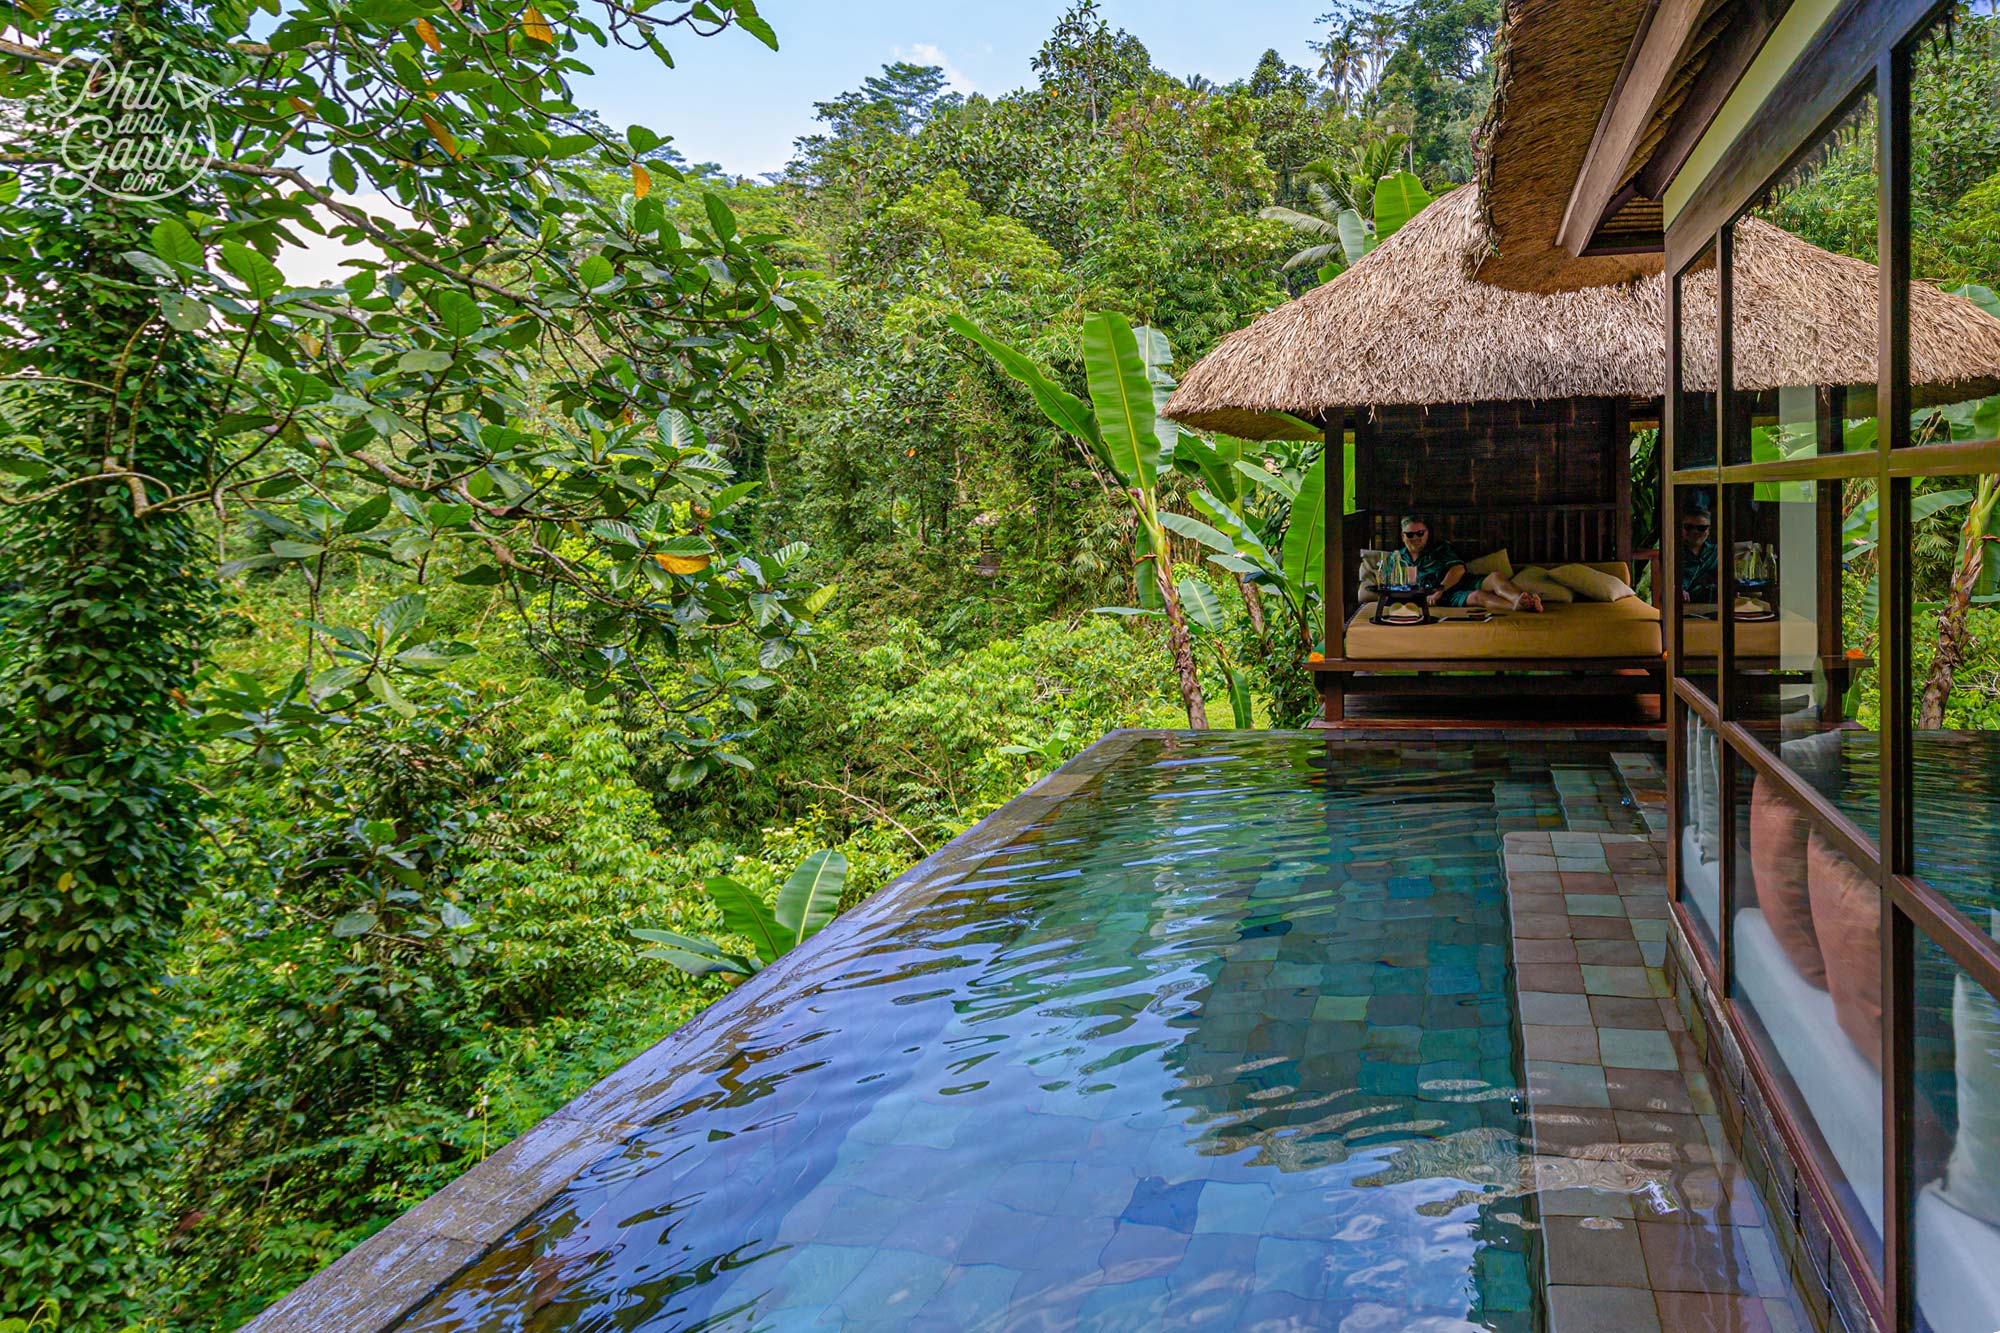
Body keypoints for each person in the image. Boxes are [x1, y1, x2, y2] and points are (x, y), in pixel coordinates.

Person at [1393, 515, 1544, 612]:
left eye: (1420, 533)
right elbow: (1395, 584)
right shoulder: (1398, 558)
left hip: (1456, 583)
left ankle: (1519, 599)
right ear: (1403, 536)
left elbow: (1458, 569)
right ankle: (1521, 606)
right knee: (1478, 596)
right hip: (1446, 596)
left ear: (1427, 533)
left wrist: (1440, 590)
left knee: (1495, 577)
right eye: (1410, 534)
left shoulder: (1439, 549)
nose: (1416, 538)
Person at [1679, 506, 1718, 604]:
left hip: (1709, 608)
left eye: (1701, 528)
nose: (1695, 532)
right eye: (1689, 527)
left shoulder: (1715, 552)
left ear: (1708, 530)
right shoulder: (1672, 553)